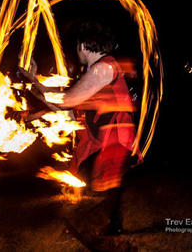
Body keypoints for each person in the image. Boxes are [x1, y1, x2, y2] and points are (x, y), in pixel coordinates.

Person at [20, 21, 143, 234]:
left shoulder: (103, 68)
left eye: (77, 45)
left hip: (113, 137)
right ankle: (111, 226)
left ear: (84, 46)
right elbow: (62, 103)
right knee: (103, 187)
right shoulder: (99, 68)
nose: (76, 50)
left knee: (99, 186)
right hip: (105, 137)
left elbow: (66, 100)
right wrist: (34, 88)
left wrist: (34, 79)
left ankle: (106, 229)